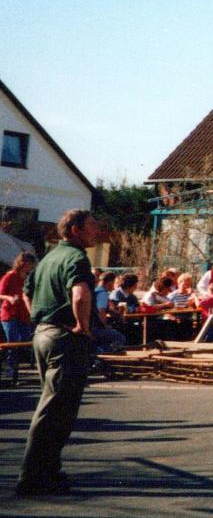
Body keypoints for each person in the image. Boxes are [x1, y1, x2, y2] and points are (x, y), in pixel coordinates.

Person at [17, 209, 98, 497]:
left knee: (55, 406)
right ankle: (33, 476)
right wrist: (82, 325)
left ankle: (48, 471)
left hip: (43, 334)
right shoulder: (76, 258)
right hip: (65, 338)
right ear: (75, 229)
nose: (96, 231)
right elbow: (80, 294)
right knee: (55, 410)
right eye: (91, 226)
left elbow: (27, 292)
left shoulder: (48, 257)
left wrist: (39, 320)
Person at [1, 252, 37, 386]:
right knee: (13, 343)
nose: (30, 267)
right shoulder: (10, 276)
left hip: (23, 314)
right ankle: (12, 373)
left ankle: (15, 369)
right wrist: (10, 298)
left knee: (25, 340)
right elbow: (1, 294)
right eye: (29, 265)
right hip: (10, 314)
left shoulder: (27, 278)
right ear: (23, 263)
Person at [91, 272, 126, 353]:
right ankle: (104, 353)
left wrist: (115, 312)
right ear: (109, 282)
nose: (114, 287)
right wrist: (105, 325)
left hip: (91, 325)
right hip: (95, 327)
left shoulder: (96, 291)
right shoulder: (103, 293)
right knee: (120, 338)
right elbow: (101, 310)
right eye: (113, 283)